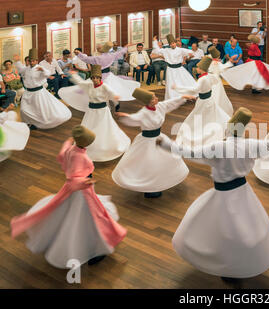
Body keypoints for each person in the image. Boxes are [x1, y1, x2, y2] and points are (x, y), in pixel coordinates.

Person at [156, 107, 269, 282]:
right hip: (243, 192)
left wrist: (164, 142)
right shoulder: (250, 145)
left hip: (222, 195)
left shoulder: (219, 147)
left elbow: (188, 152)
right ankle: (239, 266)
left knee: (220, 230)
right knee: (247, 229)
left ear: (228, 129)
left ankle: (227, 266)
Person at [10, 125, 127, 268]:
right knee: (89, 217)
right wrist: (86, 181)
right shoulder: (80, 156)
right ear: (85, 142)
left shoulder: (73, 149)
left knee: (74, 213)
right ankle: (96, 248)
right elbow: (73, 179)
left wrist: (68, 141)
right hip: (82, 191)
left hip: (78, 189)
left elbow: (62, 153)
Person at [113, 89, 196, 198]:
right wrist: (126, 117)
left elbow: (170, 103)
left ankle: (162, 181)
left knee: (167, 158)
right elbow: (134, 119)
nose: (156, 99)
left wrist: (183, 97)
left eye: (155, 97)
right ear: (148, 102)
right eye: (153, 98)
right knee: (149, 162)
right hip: (147, 141)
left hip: (159, 138)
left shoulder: (160, 106)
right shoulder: (144, 113)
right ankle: (150, 187)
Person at [66, 66, 130, 162]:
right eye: (93, 78)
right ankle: (89, 145)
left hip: (102, 112)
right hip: (91, 112)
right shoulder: (89, 85)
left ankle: (104, 147)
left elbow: (113, 94)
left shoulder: (105, 87)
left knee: (103, 129)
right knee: (89, 128)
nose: (95, 80)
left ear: (100, 78)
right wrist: (74, 74)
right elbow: (80, 82)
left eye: (97, 78)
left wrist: (116, 100)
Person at [174, 56, 230, 147]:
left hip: (203, 102)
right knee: (212, 115)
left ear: (201, 69)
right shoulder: (210, 76)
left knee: (197, 117)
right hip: (210, 100)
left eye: (198, 67)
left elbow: (193, 90)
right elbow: (216, 78)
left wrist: (178, 88)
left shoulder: (202, 79)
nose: (196, 69)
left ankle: (201, 132)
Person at [13, 50, 71, 130]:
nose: (31, 62)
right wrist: (17, 61)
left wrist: (43, 70)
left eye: (33, 61)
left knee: (40, 109)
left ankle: (39, 122)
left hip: (38, 93)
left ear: (36, 61)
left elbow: (47, 74)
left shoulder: (39, 68)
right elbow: (20, 69)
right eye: (30, 61)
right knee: (24, 110)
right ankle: (29, 123)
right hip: (28, 93)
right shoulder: (26, 69)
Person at [71, 41, 140, 102]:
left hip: (100, 76)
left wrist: (79, 54)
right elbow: (120, 52)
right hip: (109, 75)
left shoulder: (98, 58)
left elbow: (86, 59)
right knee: (113, 88)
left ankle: (103, 100)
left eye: (100, 48)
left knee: (96, 88)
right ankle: (111, 101)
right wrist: (126, 47)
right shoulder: (111, 55)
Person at [152, 35, 196, 100]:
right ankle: (173, 97)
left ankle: (185, 95)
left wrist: (191, 54)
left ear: (175, 43)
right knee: (171, 84)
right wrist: (155, 41)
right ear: (169, 45)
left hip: (179, 69)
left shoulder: (180, 50)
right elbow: (158, 50)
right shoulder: (166, 50)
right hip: (170, 69)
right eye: (171, 44)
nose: (172, 45)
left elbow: (190, 52)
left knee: (183, 81)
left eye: (173, 43)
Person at [208, 46, 234, 116]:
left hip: (209, 78)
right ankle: (217, 108)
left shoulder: (209, 60)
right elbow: (223, 68)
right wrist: (230, 61)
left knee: (210, 93)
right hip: (216, 79)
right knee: (217, 93)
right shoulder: (217, 63)